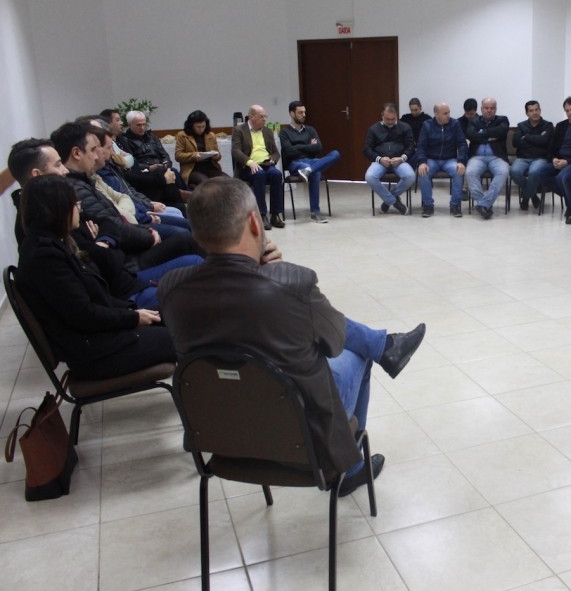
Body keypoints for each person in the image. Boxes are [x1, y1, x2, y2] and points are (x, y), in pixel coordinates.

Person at [158, 177, 427, 496]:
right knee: (357, 354)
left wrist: (259, 272)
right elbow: (335, 341)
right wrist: (273, 275)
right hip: (303, 436)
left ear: (195, 234)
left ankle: (385, 348)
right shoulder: (290, 284)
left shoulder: (170, 288)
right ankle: (350, 470)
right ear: (254, 223)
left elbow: (226, 311)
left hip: (223, 436)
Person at [8, 138, 202, 310]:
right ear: (37, 174)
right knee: (195, 263)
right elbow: (99, 268)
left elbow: (107, 225)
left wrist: (104, 242)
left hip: (121, 277)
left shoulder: (53, 205)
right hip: (120, 293)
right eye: (58, 165)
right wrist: (106, 245)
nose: (65, 170)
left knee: (190, 248)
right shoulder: (47, 220)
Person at [15, 175, 176, 379]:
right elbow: (84, 315)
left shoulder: (51, 244)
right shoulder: (45, 257)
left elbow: (95, 296)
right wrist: (133, 317)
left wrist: (131, 311)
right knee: (180, 335)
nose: (79, 210)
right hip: (95, 352)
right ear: (57, 210)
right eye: (75, 204)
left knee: (175, 313)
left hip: (100, 335)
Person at [530, 97, 571, 224]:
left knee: (562, 177)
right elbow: (552, 146)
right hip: (559, 160)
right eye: (567, 110)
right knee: (540, 173)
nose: (570, 113)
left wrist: (567, 162)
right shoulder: (561, 126)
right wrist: (554, 158)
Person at [279, 101, 341, 224]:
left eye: (304, 112)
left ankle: (308, 170)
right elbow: (289, 152)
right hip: (295, 163)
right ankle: (315, 212)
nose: (304, 115)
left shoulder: (311, 130)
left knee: (336, 154)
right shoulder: (284, 133)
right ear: (292, 113)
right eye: (300, 112)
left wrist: (298, 147)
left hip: (312, 161)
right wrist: (308, 146)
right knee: (315, 171)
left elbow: (318, 148)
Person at [232, 104, 285, 230]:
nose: (264, 119)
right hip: (248, 167)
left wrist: (273, 159)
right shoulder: (239, 130)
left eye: (265, 116)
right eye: (261, 117)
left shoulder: (267, 131)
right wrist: (250, 162)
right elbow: (235, 151)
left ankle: (275, 214)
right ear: (251, 117)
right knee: (259, 175)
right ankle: (261, 214)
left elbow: (276, 152)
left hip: (266, 164)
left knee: (277, 175)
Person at [413, 102, 468, 218]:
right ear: (436, 114)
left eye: (448, 112)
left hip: (450, 159)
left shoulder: (455, 124)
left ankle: (455, 205)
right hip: (431, 159)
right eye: (445, 113)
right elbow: (421, 146)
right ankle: (428, 205)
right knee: (423, 172)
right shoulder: (427, 125)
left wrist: (461, 161)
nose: (448, 115)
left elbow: (462, 144)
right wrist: (422, 162)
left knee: (459, 171)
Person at [364, 103, 416, 215]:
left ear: (396, 115)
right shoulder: (373, 129)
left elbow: (411, 146)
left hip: (399, 160)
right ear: (382, 115)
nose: (391, 122)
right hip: (380, 161)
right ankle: (394, 201)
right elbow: (367, 149)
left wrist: (402, 158)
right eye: (388, 119)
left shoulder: (405, 127)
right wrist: (379, 159)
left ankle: (388, 200)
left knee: (410, 176)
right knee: (370, 177)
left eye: (393, 119)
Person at [465, 98, 511, 219]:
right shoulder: (473, 121)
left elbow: (501, 131)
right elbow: (471, 135)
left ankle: (483, 205)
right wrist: (491, 135)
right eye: (486, 108)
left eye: (492, 108)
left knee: (503, 172)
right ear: (481, 109)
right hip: (477, 157)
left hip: (497, 157)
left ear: (496, 109)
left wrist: (481, 132)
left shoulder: (503, 119)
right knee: (470, 173)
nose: (489, 110)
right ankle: (485, 205)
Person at [510, 100, 553, 210]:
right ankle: (533, 195)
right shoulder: (521, 125)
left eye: (536, 110)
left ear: (540, 110)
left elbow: (545, 141)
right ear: (527, 113)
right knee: (514, 171)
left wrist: (527, 137)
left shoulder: (548, 125)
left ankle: (525, 197)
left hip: (540, 158)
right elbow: (515, 143)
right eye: (531, 110)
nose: (534, 113)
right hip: (523, 158)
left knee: (534, 172)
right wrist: (538, 139)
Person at [175, 110, 225, 186]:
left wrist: (216, 155)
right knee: (206, 183)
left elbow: (218, 156)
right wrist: (194, 155)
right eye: (198, 127)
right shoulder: (182, 135)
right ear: (191, 125)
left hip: (210, 166)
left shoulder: (211, 135)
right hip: (192, 168)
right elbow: (178, 156)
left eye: (203, 126)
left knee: (227, 181)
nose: (201, 129)